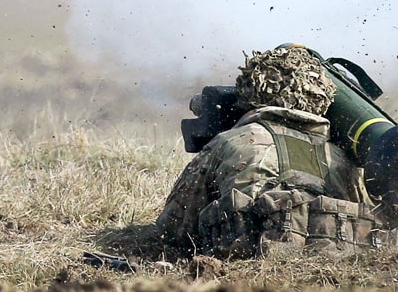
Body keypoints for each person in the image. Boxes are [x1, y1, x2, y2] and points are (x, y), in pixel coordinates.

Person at [156, 43, 375, 258]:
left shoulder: (229, 141)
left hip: (242, 263)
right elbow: (366, 227)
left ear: (249, 94)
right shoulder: (342, 159)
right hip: (328, 270)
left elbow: (174, 228)